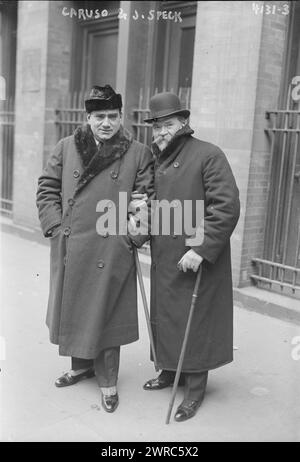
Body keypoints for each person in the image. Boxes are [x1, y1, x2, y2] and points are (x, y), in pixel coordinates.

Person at [36, 84, 154, 413]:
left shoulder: (138, 152)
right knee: (75, 306)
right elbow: (46, 188)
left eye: (112, 116)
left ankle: (108, 381)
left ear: (120, 117)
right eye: (99, 116)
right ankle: (82, 366)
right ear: (88, 117)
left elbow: (147, 200)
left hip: (111, 246)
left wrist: (133, 236)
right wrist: (56, 227)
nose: (106, 122)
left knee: (106, 312)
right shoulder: (66, 147)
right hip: (72, 242)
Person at [134, 92, 240, 422]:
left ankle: (194, 391)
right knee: (165, 317)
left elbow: (226, 206)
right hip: (165, 257)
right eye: (157, 126)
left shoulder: (208, 155)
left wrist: (200, 248)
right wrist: (136, 235)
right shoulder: (156, 159)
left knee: (195, 323)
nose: (161, 131)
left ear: (183, 123)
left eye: (167, 124)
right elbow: (149, 204)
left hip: (196, 259)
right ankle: (168, 371)